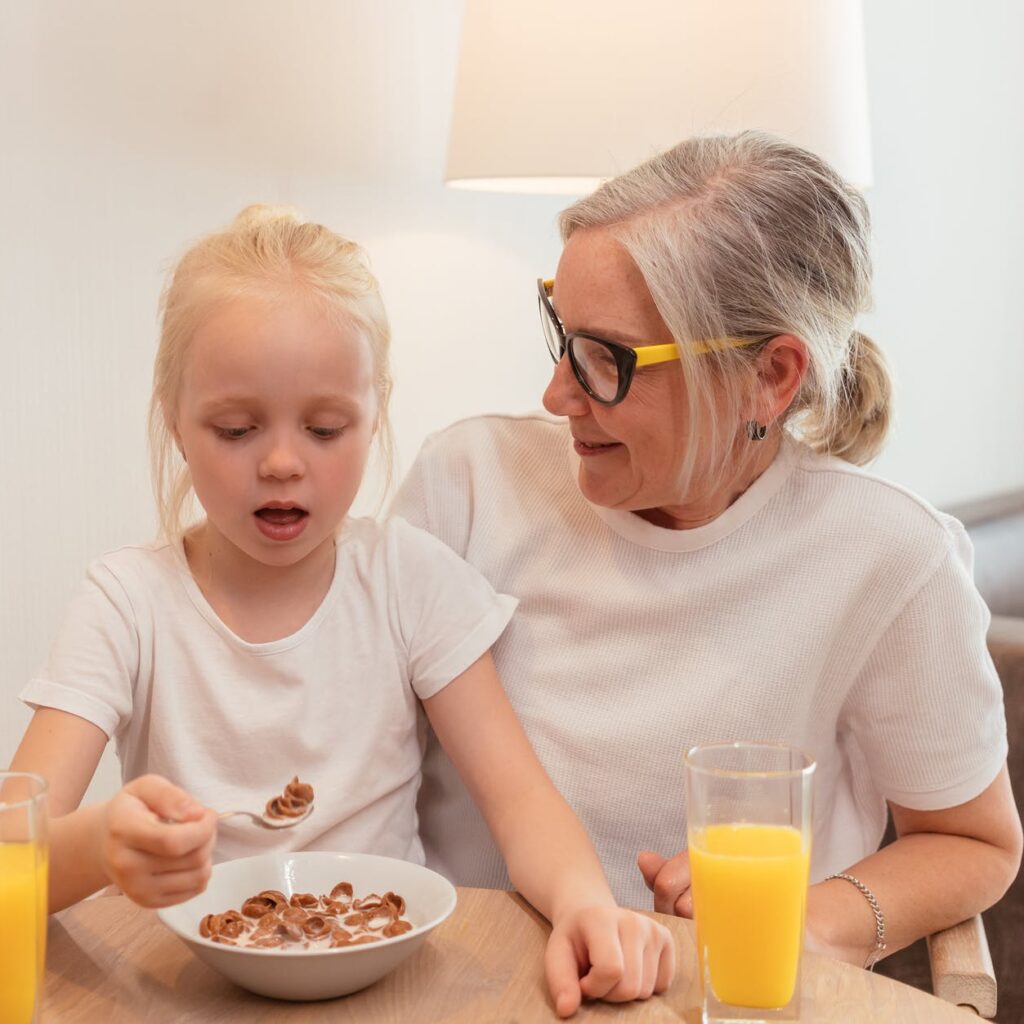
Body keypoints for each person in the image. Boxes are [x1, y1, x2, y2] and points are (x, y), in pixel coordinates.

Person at [9, 205, 674, 1017]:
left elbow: (522, 803)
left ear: (374, 416)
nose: (283, 462)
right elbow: (12, 847)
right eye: (236, 427)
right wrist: (99, 847)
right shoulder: (125, 604)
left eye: (326, 428)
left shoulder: (409, 580)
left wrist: (584, 906)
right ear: (177, 422)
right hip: (178, 994)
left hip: (393, 989)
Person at [392, 132, 1023, 969]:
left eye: (606, 360)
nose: (556, 394)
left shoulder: (890, 558)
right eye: (562, 333)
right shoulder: (466, 485)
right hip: (462, 986)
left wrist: (813, 918)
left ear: (771, 376)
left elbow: (975, 844)